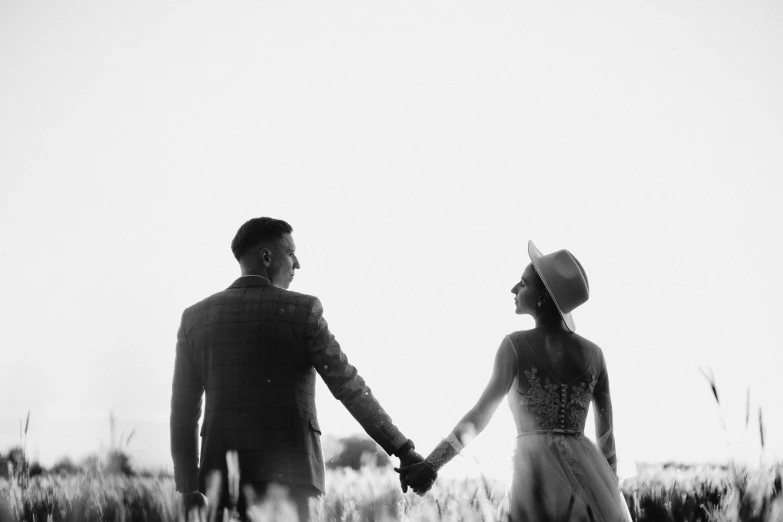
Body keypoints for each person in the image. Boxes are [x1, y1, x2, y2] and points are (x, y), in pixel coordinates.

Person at [170, 217, 427, 521]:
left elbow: (183, 411)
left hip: (222, 484)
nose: (298, 263)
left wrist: (187, 487)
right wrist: (402, 449)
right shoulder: (303, 311)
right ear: (266, 257)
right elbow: (348, 386)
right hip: (294, 480)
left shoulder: (195, 319)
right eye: (291, 253)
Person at [398, 241, 632, 521]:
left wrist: (433, 464)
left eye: (522, 283)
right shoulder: (595, 354)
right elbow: (607, 439)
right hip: (588, 479)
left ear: (544, 295)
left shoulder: (515, 346)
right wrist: (608, 496)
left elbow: (480, 416)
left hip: (533, 474)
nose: (513, 289)